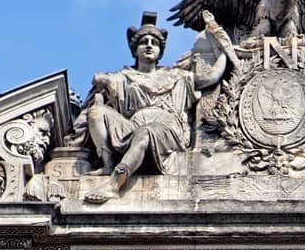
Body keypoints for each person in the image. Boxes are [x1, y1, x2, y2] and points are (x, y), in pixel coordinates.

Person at [82, 12, 230, 202]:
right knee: (96, 112)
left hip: (167, 131)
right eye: (144, 41)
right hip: (132, 129)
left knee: (146, 133)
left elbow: (211, 77)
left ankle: (114, 184)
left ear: (161, 51)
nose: (150, 45)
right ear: (135, 50)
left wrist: (223, 51)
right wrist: (103, 83)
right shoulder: (123, 77)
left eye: (155, 42)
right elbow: (98, 84)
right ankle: (108, 163)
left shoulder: (177, 76)